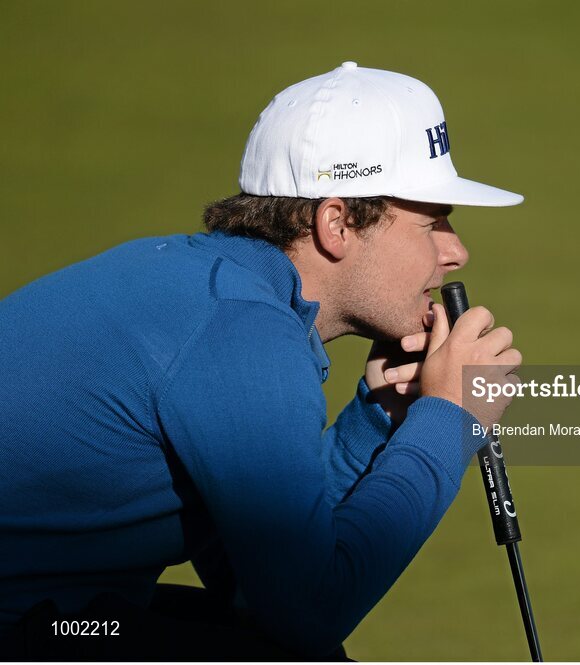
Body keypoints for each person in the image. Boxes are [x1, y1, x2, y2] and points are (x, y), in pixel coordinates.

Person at [0, 61, 524, 659]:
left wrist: (378, 417)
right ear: (336, 224)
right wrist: (450, 419)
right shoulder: (241, 329)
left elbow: (256, 581)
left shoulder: (212, 289)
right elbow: (310, 612)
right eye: (432, 223)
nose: (457, 251)